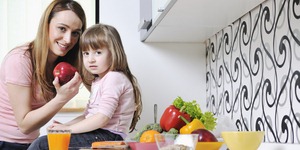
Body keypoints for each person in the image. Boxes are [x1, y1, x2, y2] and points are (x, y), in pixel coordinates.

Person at [28, 23, 143, 149]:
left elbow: (102, 118)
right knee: (48, 142)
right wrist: (65, 127)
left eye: (98, 52)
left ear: (114, 53)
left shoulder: (114, 78)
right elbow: (86, 116)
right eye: (86, 53)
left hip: (108, 136)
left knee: (42, 144)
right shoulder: (99, 80)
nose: (90, 59)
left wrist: (68, 130)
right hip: (100, 133)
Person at [0, 0, 87, 149]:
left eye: (75, 33)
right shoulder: (20, 60)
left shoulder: (65, 63)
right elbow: (25, 125)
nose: (68, 40)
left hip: (29, 143)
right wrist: (62, 98)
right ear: (46, 26)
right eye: (62, 29)